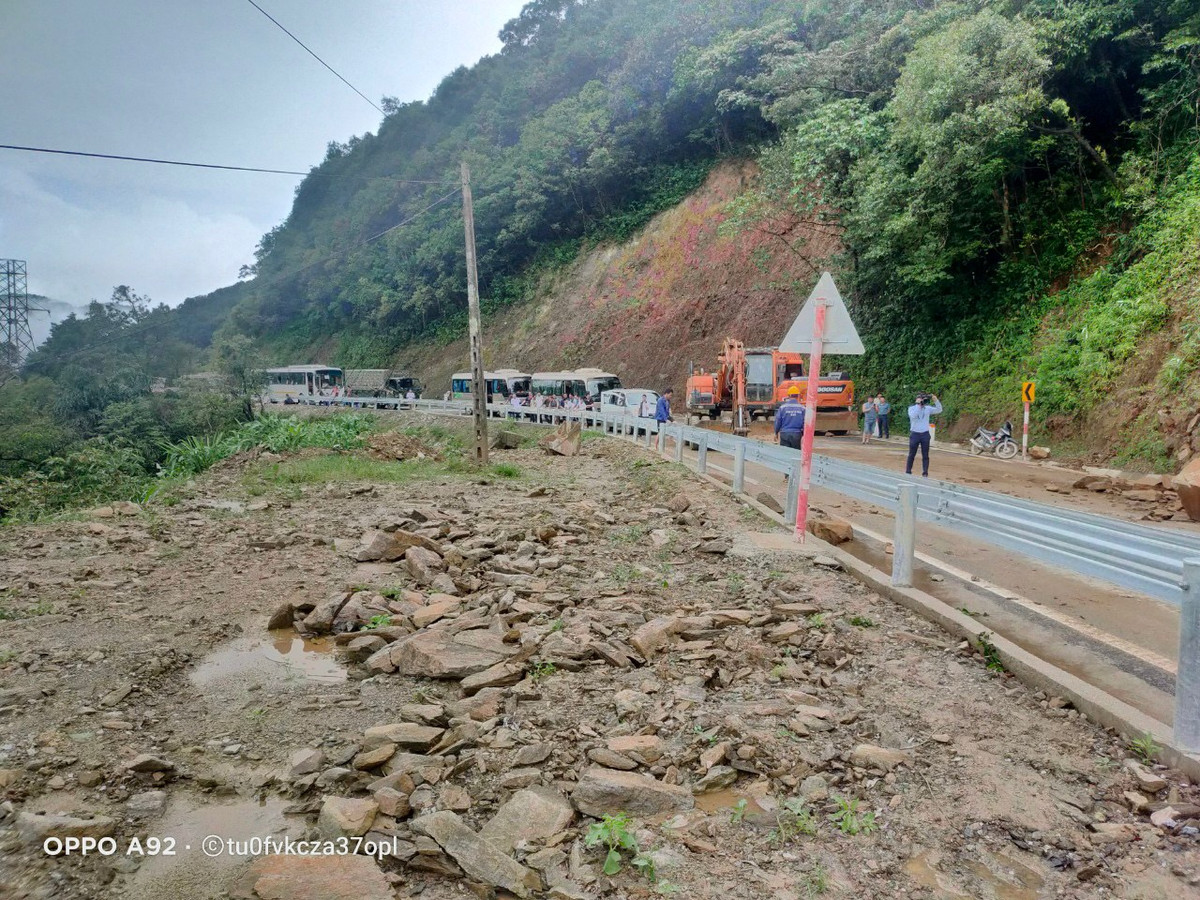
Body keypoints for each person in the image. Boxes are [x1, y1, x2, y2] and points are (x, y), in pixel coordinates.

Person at [905, 392, 943, 477]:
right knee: (912, 454)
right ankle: (908, 471)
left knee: (925, 455)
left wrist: (935, 400)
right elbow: (914, 415)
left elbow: (939, 410)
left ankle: (925, 472)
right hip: (915, 434)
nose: (923, 403)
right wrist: (919, 405)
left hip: (925, 434)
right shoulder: (911, 408)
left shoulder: (927, 408)